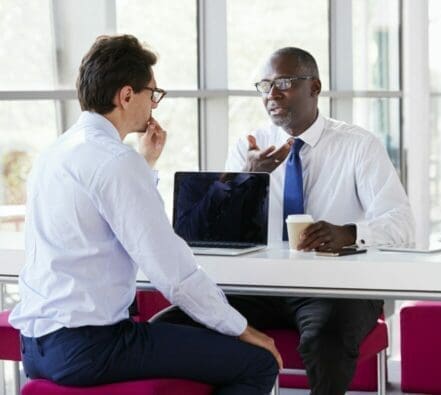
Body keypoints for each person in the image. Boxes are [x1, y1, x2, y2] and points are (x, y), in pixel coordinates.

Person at [8, 34, 281, 395]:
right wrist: (242, 328)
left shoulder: (56, 152)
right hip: (92, 348)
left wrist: (144, 162)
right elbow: (173, 273)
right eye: (152, 94)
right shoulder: (115, 161)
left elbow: (103, 218)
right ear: (125, 96)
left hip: (37, 347)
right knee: (257, 363)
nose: (154, 104)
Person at [161, 47, 415, 395]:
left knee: (325, 340)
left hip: (335, 289)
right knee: (173, 323)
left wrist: (349, 233)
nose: (272, 94)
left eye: (284, 82)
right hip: (260, 286)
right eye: (264, 85)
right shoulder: (250, 147)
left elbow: (402, 224)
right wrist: (247, 179)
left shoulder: (358, 146)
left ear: (315, 87)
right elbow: (220, 233)